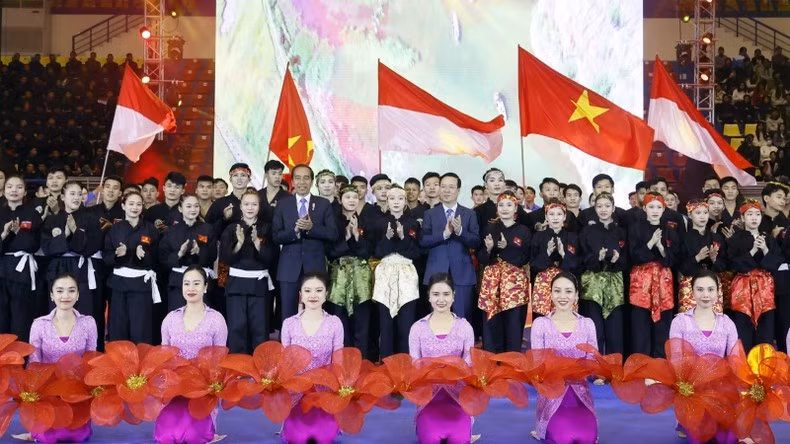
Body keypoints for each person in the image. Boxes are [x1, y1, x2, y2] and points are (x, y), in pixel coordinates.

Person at [21, 273, 97, 443]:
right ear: (52, 295)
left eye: (71, 290)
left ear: (78, 295)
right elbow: (34, 363)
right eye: (60, 291)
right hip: (49, 393)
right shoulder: (39, 324)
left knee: (79, 435)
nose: (65, 296)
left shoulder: (88, 323)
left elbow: (91, 359)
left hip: (76, 392)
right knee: (47, 437)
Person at [155, 266, 228, 444]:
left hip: (202, 390)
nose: (191, 288)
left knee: (194, 436)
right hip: (175, 389)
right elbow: (164, 357)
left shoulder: (216, 320)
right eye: (186, 283)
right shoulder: (170, 319)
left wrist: (209, 390)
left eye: (196, 283)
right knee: (165, 437)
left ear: (205, 287)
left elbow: (220, 362)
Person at [668, 270, 738, 444]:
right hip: (692, 393)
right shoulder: (680, 322)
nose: (705, 295)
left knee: (729, 439)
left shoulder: (727, 323)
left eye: (710, 289)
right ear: (692, 292)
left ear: (718, 292)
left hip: (721, 393)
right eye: (700, 289)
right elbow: (676, 361)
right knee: (703, 438)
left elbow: (735, 360)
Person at [530, 272, 598, 444]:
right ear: (551, 294)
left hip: (581, 397)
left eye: (568, 291)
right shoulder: (540, 324)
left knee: (588, 438)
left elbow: (593, 361)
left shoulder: (588, 324)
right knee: (562, 438)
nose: (562, 296)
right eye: (557, 291)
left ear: (576, 295)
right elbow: (537, 364)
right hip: (552, 397)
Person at [409, 273, 475, 444]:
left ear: (453, 296)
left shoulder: (465, 327)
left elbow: (469, 363)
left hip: (458, 401)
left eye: (446, 294)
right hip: (428, 401)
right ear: (429, 296)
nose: (441, 300)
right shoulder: (417, 328)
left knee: (460, 440)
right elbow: (414, 365)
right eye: (436, 294)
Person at [281, 272, 343, 444]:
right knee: (297, 439)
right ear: (301, 295)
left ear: (326, 294)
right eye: (307, 291)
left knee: (324, 438)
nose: (313, 295)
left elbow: (338, 360)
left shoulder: (335, 323)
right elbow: (285, 362)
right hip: (296, 394)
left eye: (318, 290)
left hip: (324, 394)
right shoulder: (289, 324)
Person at [273, 164, 337, 322]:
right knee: (287, 313)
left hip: (315, 266)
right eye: (298, 178)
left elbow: (333, 233)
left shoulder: (323, 204)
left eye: (306, 178)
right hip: (289, 267)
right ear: (292, 181)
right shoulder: (283, 204)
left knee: (316, 311)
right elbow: (276, 236)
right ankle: (288, 339)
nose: (302, 182)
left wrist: (312, 228)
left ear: (312, 181)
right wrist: (294, 231)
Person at [220, 190, 274, 354]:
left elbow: (272, 258)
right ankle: (238, 365)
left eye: (254, 204)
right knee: (237, 328)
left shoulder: (267, 228)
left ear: (259, 206)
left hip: (259, 285)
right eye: (246, 204)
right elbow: (225, 258)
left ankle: (260, 366)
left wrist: (258, 244)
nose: (250, 208)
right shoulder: (231, 228)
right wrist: (238, 244)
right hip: (236, 285)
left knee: (260, 329)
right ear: (241, 206)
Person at [420, 173, 480, 320]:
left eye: (451, 187)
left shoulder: (469, 214)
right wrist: (444, 234)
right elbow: (423, 241)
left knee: (462, 318)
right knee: (437, 318)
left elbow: (476, 241)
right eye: (443, 186)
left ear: (458, 190)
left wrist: (460, 231)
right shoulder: (429, 214)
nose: (447, 190)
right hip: (436, 271)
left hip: (462, 273)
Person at [477, 191, 531, 353]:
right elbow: (482, 258)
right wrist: (488, 249)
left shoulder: (523, 230)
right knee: (491, 321)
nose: (505, 208)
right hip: (492, 281)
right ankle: (492, 359)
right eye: (501, 205)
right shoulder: (490, 228)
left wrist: (506, 248)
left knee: (514, 322)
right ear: (497, 209)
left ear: (516, 208)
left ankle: (512, 360)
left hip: (515, 283)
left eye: (509, 205)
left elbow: (525, 257)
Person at [103, 191, 160, 344]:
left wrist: (143, 255)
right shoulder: (114, 229)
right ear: (123, 206)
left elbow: (158, 258)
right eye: (131, 204)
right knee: (118, 328)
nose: (135, 208)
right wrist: (118, 255)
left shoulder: (150, 229)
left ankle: (142, 359)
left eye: (138, 204)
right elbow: (106, 257)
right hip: (119, 285)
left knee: (141, 328)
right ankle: (119, 359)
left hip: (142, 285)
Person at [628, 192, 679, 357]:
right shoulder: (635, 228)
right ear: (644, 208)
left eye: (658, 207)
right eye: (651, 207)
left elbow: (674, 259)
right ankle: (641, 363)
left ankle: (660, 363)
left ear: (664, 209)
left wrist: (662, 248)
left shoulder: (670, 231)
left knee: (662, 325)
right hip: (641, 281)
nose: (655, 211)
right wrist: (650, 243)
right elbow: (633, 256)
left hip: (663, 281)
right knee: (640, 325)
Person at [373, 185, 421, 358]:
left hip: (407, 272)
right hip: (385, 272)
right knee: (385, 322)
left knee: (406, 321)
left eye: (400, 198)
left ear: (406, 201)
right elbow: (376, 252)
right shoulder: (378, 223)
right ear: (387, 201)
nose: (396, 202)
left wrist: (402, 238)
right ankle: (386, 362)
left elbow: (417, 252)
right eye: (392, 198)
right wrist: (387, 238)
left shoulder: (413, 223)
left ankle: (405, 362)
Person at [41, 180, 102, 317]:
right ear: (63, 197)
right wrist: (65, 236)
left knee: (83, 310)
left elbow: (93, 246)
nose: (76, 197)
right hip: (58, 268)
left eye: (79, 194)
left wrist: (76, 231)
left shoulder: (91, 218)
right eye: (72, 194)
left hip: (81, 268)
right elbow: (47, 248)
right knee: (58, 311)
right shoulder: (53, 220)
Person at [727, 199, 781, 351]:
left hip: (764, 287)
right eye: (749, 214)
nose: (754, 218)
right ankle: (743, 361)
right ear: (742, 218)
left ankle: (764, 362)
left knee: (766, 325)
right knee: (743, 324)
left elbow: (776, 263)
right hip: (743, 287)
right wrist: (752, 251)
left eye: (757, 214)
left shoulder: (768, 239)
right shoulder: (735, 239)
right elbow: (732, 264)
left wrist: (764, 249)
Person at [327, 185, 373, 359]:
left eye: (355, 197)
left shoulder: (366, 221)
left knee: (362, 320)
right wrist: (346, 237)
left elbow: (369, 251)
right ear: (340, 200)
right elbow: (330, 252)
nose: (352, 200)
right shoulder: (333, 221)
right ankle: (341, 361)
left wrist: (357, 235)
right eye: (348, 197)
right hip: (339, 275)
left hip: (361, 276)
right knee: (340, 319)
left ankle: (361, 361)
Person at [579, 192, 626, 355]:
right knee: (595, 328)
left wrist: (617, 260)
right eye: (599, 206)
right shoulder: (587, 231)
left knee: (615, 330)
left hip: (615, 283)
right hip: (592, 283)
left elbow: (628, 258)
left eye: (607, 206)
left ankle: (614, 365)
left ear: (613, 208)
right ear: (594, 208)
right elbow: (582, 257)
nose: (603, 209)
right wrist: (597, 259)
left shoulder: (621, 232)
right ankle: (594, 365)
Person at [0, 174, 42, 341]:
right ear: (4, 190)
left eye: (19, 187)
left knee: (21, 314)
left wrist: (18, 232)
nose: (14, 190)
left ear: (25, 192)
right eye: (10, 186)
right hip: (1, 267)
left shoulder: (32, 213)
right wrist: (3, 235)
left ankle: (20, 353)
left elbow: (35, 245)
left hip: (22, 270)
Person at [159, 194, 217, 311]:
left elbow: (213, 255)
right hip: (178, 282)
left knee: (200, 317)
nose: (193, 209)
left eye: (196, 206)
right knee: (178, 316)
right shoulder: (171, 230)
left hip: (201, 280)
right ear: (180, 208)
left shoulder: (208, 228)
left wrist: (199, 251)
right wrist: (179, 254)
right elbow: (162, 257)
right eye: (189, 206)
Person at [530, 199, 580, 318]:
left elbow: (577, 265)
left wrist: (563, 254)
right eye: (551, 214)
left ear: (564, 217)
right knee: (542, 319)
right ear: (546, 217)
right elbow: (533, 265)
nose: (555, 218)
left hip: (566, 282)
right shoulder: (538, 237)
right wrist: (547, 253)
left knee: (565, 318)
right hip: (543, 284)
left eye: (559, 214)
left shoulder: (573, 237)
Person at [678, 199, 727, 314]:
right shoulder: (683, 238)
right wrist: (697, 258)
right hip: (690, 284)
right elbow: (680, 266)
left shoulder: (716, 237)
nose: (702, 216)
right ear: (690, 215)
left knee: (713, 317)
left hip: (712, 283)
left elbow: (724, 265)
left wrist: (714, 259)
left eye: (705, 213)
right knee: (690, 318)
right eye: (698, 213)